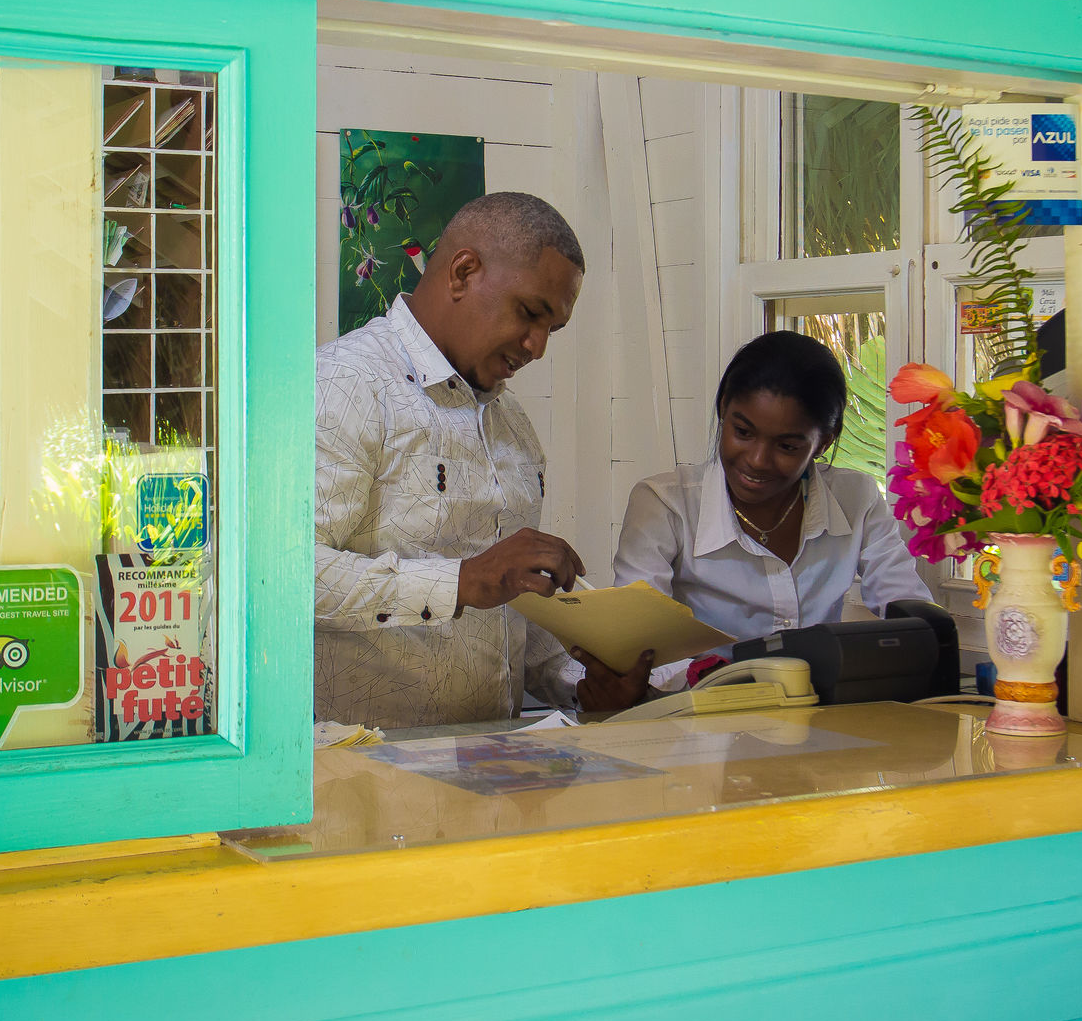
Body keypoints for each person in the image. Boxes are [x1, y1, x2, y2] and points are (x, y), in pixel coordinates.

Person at [313, 191, 590, 728]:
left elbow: (506, 617)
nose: (538, 347)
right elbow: (285, 577)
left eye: (552, 329)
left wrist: (580, 683)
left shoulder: (513, 428)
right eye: (530, 314)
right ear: (463, 272)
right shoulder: (341, 385)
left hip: (489, 777)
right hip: (360, 778)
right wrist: (462, 582)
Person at [585, 330, 936, 711]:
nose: (756, 460)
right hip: (696, 726)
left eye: (787, 446)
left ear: (823, 443)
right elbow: (638, 643)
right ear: (723, 408)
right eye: (742, 432)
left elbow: (910, 610)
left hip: (818, 727)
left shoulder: (858, 500)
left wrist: (913, 645)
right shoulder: (665, 505)